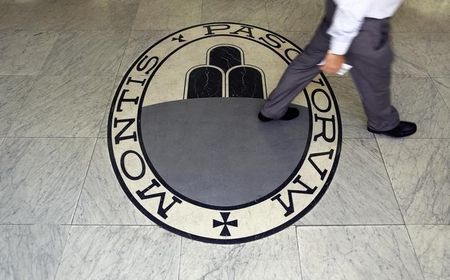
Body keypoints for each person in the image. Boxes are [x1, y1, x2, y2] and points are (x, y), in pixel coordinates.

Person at [258, 0, 417, 138]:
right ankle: (383, 123)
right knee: (375, 80)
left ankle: (273, 108)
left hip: (338, 10)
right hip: (362, 20)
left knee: (307, 62)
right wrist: (337, 50)